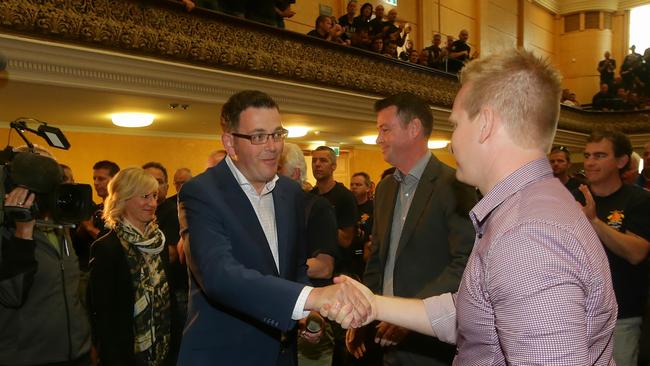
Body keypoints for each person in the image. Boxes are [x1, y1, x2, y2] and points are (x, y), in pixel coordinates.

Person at [323, 49, 618, 365]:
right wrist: (377, 305)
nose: (452, 142)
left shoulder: (528, 236)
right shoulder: (529, 206)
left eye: (456, 124)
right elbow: (480, 312)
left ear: (486, 124)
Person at [176, 90, 371, 365]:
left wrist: (307, 314)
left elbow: (294, 269)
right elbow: (219, 275)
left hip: (282, 355)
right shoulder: (201, 193)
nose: (272, 146)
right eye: (258, 136)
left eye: (277, 134)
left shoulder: (290, 193)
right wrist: (311, 298)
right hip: (225, 354)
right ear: (230, 143)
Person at [347, 92, 476, 366]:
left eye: (385, 129)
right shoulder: (384, 188)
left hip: (430, 342)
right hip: (383, 333)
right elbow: (378, 260)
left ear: (414, 128)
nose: (378, 138)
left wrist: (416, 313)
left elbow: (465, 262)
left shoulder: (454, 185)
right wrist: (363, 313)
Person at [0, 148, 92, 365]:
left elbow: (72, 290)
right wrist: (23, 231)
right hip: (27, 357)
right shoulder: (6, 231)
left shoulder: (60, 227)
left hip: (77, 353)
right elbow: (12, 293)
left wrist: (86, 341)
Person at [574, 130, 650, 366]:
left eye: (599, 156)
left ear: (621, 161)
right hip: (575, 315)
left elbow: (637, 252)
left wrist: (594, 222)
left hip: (621, 317)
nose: (589, 162)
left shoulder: (638, 200)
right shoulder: (571, 197)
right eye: (587, 155)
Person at [89, 167, 175, 365]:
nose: (152, 203)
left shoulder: (158, 243)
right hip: (125, 354)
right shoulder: (106, 247)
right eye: (145, 196)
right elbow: (103, 314)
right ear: (123, 198)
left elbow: (169, 298)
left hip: (164, 349)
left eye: (154, 196)